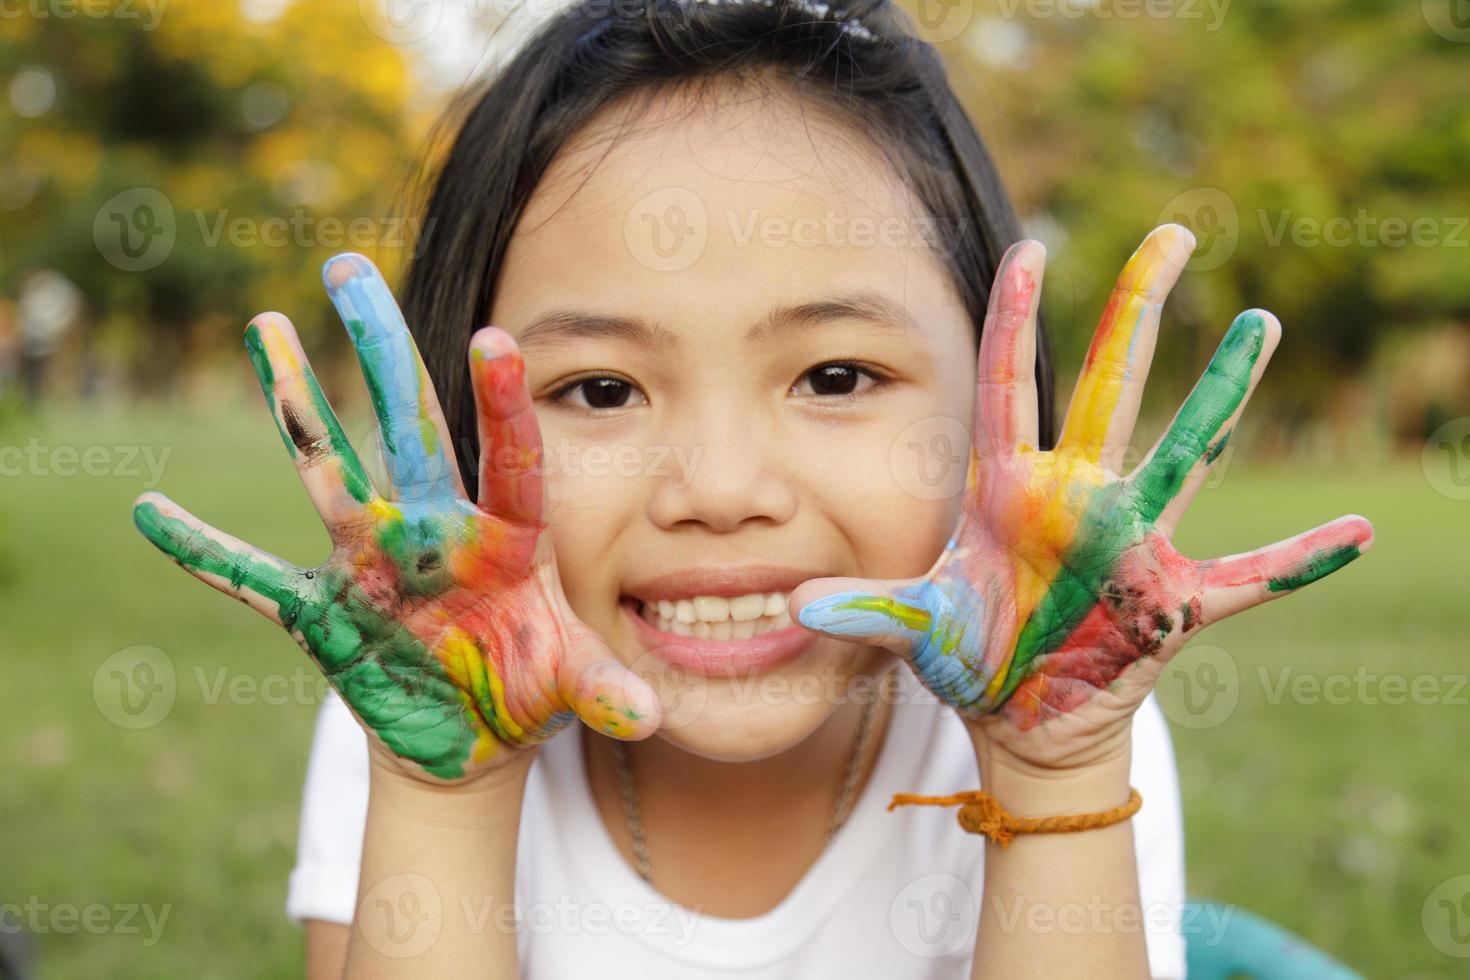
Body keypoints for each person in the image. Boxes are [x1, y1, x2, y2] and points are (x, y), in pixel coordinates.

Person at [130, 0, 1373, 975]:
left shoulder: (1068, 712)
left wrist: (1054, 778)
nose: (719, 490)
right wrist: (445, 798)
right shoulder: (417, 712)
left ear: (1000, 409)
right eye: (601, 390)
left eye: (835, 374)